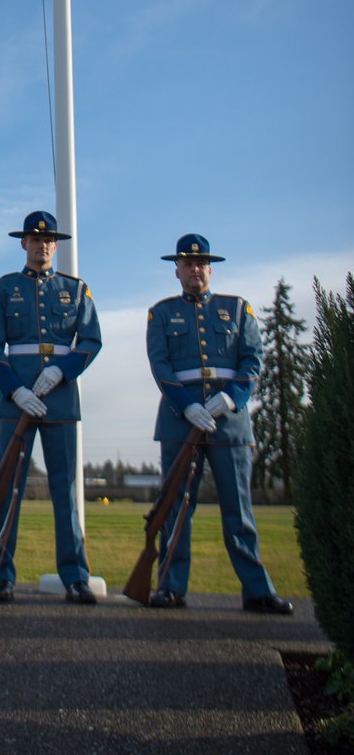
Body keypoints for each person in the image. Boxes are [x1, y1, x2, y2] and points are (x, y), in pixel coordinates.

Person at [146, 233, 292, 614]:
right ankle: (170, 586)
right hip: (180, 422)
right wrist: (187, 406)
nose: (194, 269)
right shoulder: (161, 314)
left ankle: (258, 590)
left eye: (201, 263)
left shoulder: (238, 309)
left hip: (229, 423)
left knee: (239, 512)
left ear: (210, 269)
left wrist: (230, 399)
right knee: (175, 509)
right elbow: (160, 365)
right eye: (187, 264)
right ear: (176, 271)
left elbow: (253, 360)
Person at [0, 211, 102, 603]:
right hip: (15, 401)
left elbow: (91, 340)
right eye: (36, 239)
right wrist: (16, 390)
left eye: (49, 240)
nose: (43, 245)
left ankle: (76, 577)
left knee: (65, 491)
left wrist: (62, 371)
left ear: (56, 245)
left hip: (60, 400)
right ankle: (2, 575)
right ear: (24, 243)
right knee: (8, 489)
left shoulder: (76, 289)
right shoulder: (2, 289)